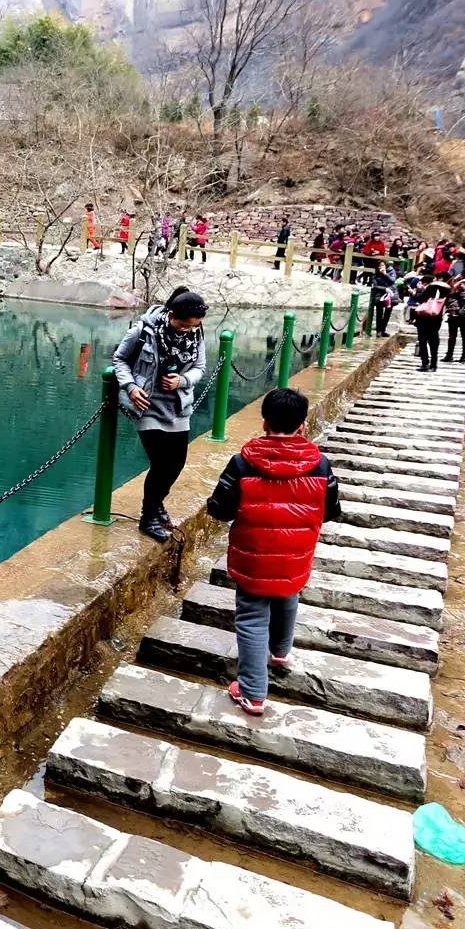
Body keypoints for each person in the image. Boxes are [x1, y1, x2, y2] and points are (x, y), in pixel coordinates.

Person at [204, 387, 341, 717]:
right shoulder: (321, 466)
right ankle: (280, 652)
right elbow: (332, 509)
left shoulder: (242, 463)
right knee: (288, 595)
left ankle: (252, 693)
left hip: (253, 554)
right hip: (296, 553)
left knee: (252, 617)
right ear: (302, 426)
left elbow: (220, 510)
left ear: (264, 423)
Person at [112, 288, 210, 543]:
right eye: (183, 325)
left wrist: (183, 380)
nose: (187, 330)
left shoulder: (196, 333)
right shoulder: (143, 331)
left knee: (176, 464)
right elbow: (119, 359)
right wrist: (131, 387)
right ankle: (148, 516)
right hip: (147, 405)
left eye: (192, 326)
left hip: (178, 406)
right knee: (161, 464)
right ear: (171, 315)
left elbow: (200, 367)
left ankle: (156, 505)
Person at [408, 274, 448, 371]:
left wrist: (414, 292)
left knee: (423, 340)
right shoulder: (446, 289)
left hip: (424, 318)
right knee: (434, 340)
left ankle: (425, 363)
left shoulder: (431, 287)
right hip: (436, 318)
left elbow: (421, 299)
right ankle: (434, 364)